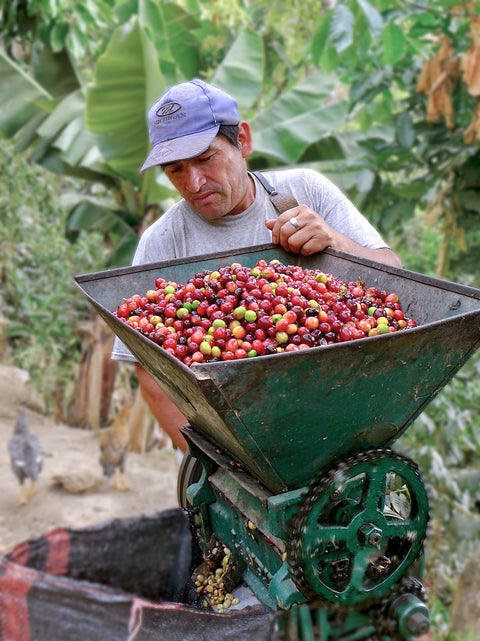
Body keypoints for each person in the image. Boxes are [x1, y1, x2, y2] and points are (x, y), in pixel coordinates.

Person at [112, 78, 402, 454]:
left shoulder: (306, 190)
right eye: (175, 169)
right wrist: (211, 465)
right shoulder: (162, 241)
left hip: (335, 417)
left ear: (243, 141)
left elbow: (394, 274)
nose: (194, 182)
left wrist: (334, 240)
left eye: (205, 158)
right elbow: (152, 374)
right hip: (231, 441)